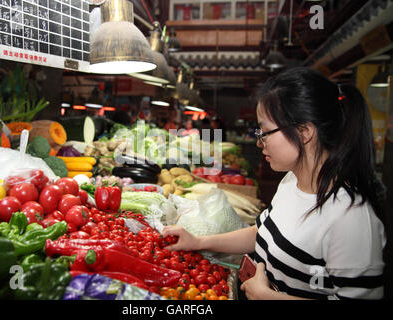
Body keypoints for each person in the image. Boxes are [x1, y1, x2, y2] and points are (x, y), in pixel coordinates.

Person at [162, 67, 387, 300]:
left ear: (304, 132)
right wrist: (199, 241)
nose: (260, 143)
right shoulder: (291, 181)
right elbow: (261, 232)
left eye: (266, 132)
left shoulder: (351, 216)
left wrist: (267, 296)